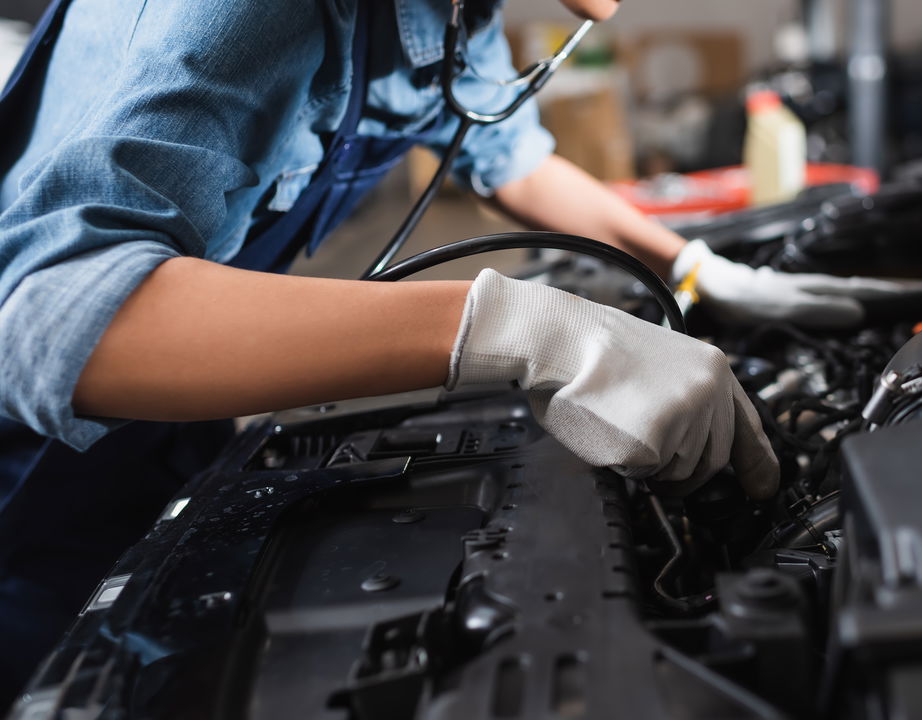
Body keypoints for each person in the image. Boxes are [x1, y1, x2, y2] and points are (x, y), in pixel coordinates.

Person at [0, 0, 873, 702]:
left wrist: (690, 265)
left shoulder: (447, 13)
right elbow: (52, 321)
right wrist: (523, 330)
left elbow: (513, 159)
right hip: (24, 483)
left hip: (165, 427)